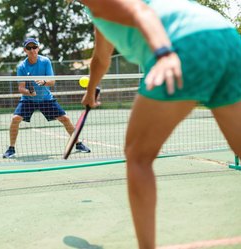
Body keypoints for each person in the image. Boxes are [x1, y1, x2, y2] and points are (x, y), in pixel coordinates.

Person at [75, 0, 241, 248]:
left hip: (181, 46)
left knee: (138, 157)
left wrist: (163, 53)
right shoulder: (100, 14)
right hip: (226, 38)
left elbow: (140, 12)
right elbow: (100, 59)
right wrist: (90, 92)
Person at [3, 38, 91, 158]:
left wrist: (44, 82)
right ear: (25, 50)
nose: (32, 50)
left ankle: (78, 144)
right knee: (15, 119)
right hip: (28, 100)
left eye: (34, 47)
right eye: (29, 48)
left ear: (38, 48)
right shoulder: (22, 67)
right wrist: (29, 93)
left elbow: (52, 81)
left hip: (46, 99)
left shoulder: (45, 62)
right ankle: (11, 149)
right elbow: (21, 88)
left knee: (65, 118)